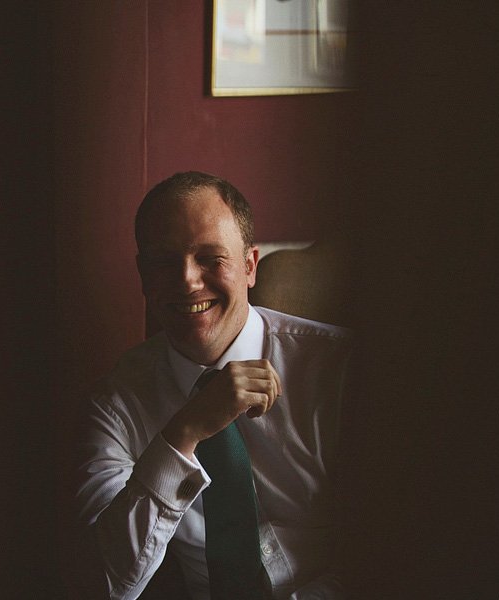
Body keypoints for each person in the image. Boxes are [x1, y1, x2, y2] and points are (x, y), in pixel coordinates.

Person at [76, 172, 354, 599]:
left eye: (210, 258)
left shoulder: (336, 370)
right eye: (164, 261)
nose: (187, 280)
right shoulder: (116, 402)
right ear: (143, 274)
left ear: (249, 266)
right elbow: (109, 583)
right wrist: (185, 432)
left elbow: (395, 548)